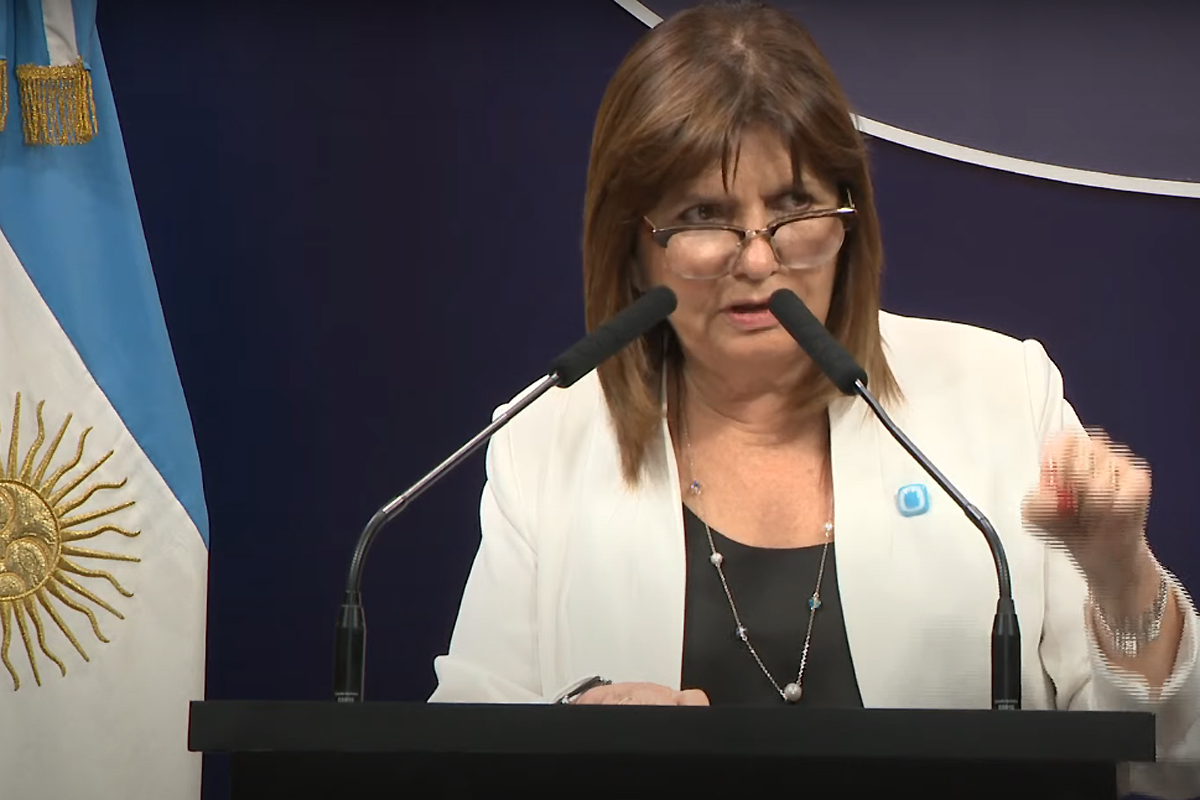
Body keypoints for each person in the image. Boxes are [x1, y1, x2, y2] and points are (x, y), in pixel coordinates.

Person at [430, 1, 1198, 793]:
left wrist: (1121, 576)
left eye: (794, 207)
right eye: (705, 215)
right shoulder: (547, 439)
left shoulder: (998, 394)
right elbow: (462, 747)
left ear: (847, 222)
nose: (758, 261)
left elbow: (1168, 773)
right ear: (632, 245)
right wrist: (569, 726)